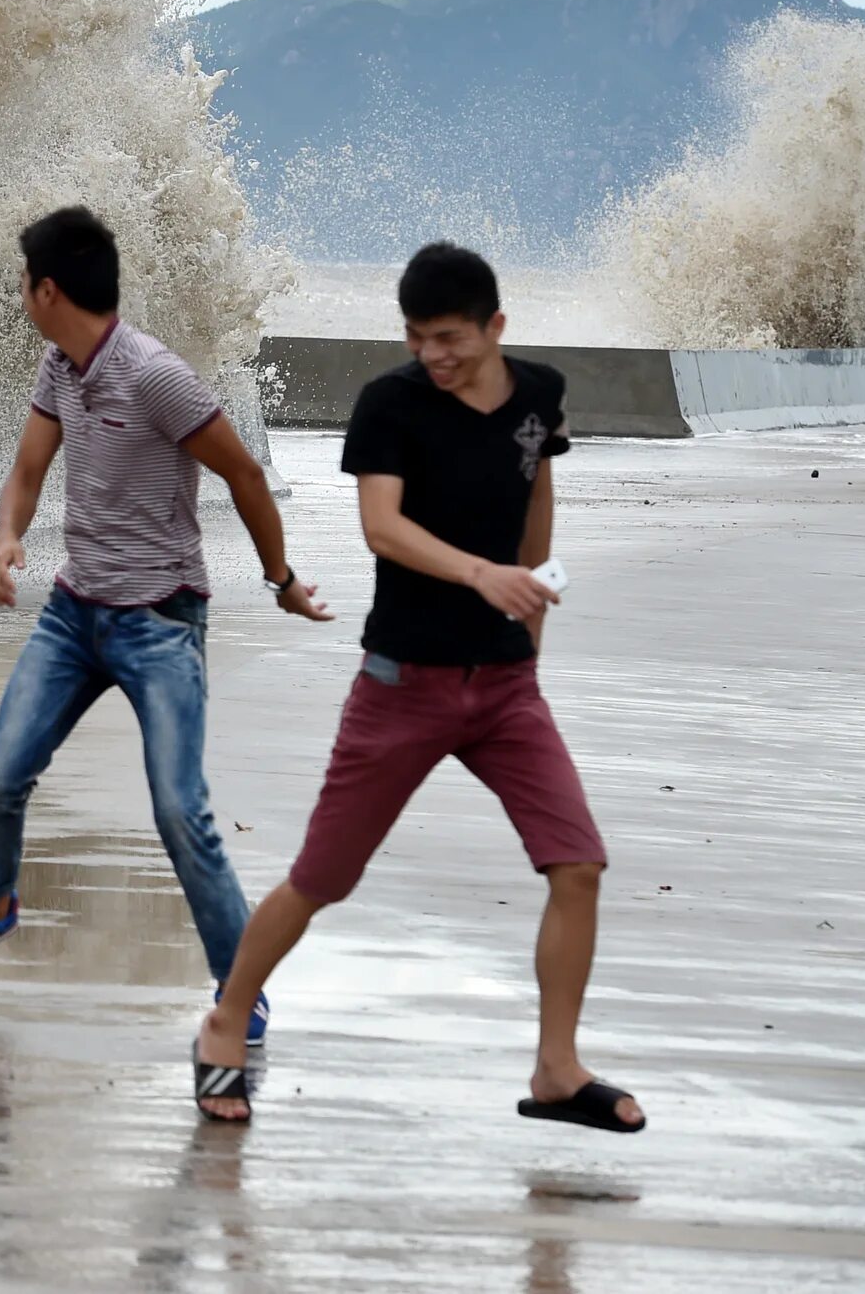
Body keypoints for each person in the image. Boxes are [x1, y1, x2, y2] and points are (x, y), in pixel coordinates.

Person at [192, 243, 641, 1132]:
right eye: (417, 337)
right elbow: (382, 528)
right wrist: (481, 576)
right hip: (403, 684)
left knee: (578, 863)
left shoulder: (538, 393)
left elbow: (533, 490)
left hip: (506, 687)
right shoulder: (390, 404)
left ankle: (557, 1068)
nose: (434, 355)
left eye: (451, 339)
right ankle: (222, 1026)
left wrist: (532, 607)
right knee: (321, 879)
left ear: (495, 328)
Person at [0, 207, 331, 1032]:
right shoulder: (58, 367)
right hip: (75, 615)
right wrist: (7, 540)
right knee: (0, 774)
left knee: (182, 812)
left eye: (24, 285)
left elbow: (245, 476)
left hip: (162, 621)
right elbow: (28, 469)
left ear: (48, 288)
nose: (22, 300)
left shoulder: (155, 375)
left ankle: (238, 988)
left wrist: (279, 577)